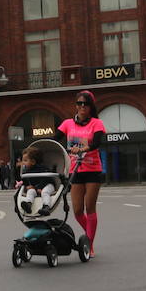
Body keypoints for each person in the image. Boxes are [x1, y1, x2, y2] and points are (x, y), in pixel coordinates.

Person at [57, 90, 106, 257]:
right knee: (77, 210)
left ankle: (89, 244)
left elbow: (98, 142)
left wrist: (86, 148)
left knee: (89, 207)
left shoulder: (96, 123)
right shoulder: (67, 124)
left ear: (91, 107)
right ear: (76, 106)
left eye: (85, 104)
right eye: (79, 103)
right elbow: (56, 138)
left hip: (93, 170)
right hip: (75, 170)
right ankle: (89, 234)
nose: (82, 107)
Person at [15, 147, 57, 216]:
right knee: (30, 191)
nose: (23, 163)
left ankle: (46, 207)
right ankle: (28, 204)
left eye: (25, 160)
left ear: (33, 162)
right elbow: (23, 180)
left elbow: (47, 179)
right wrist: (27, 186)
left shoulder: (42, 169)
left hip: (47, 185)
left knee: (45, 192)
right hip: (36, 187)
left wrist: (39, 187)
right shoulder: (27, 171)